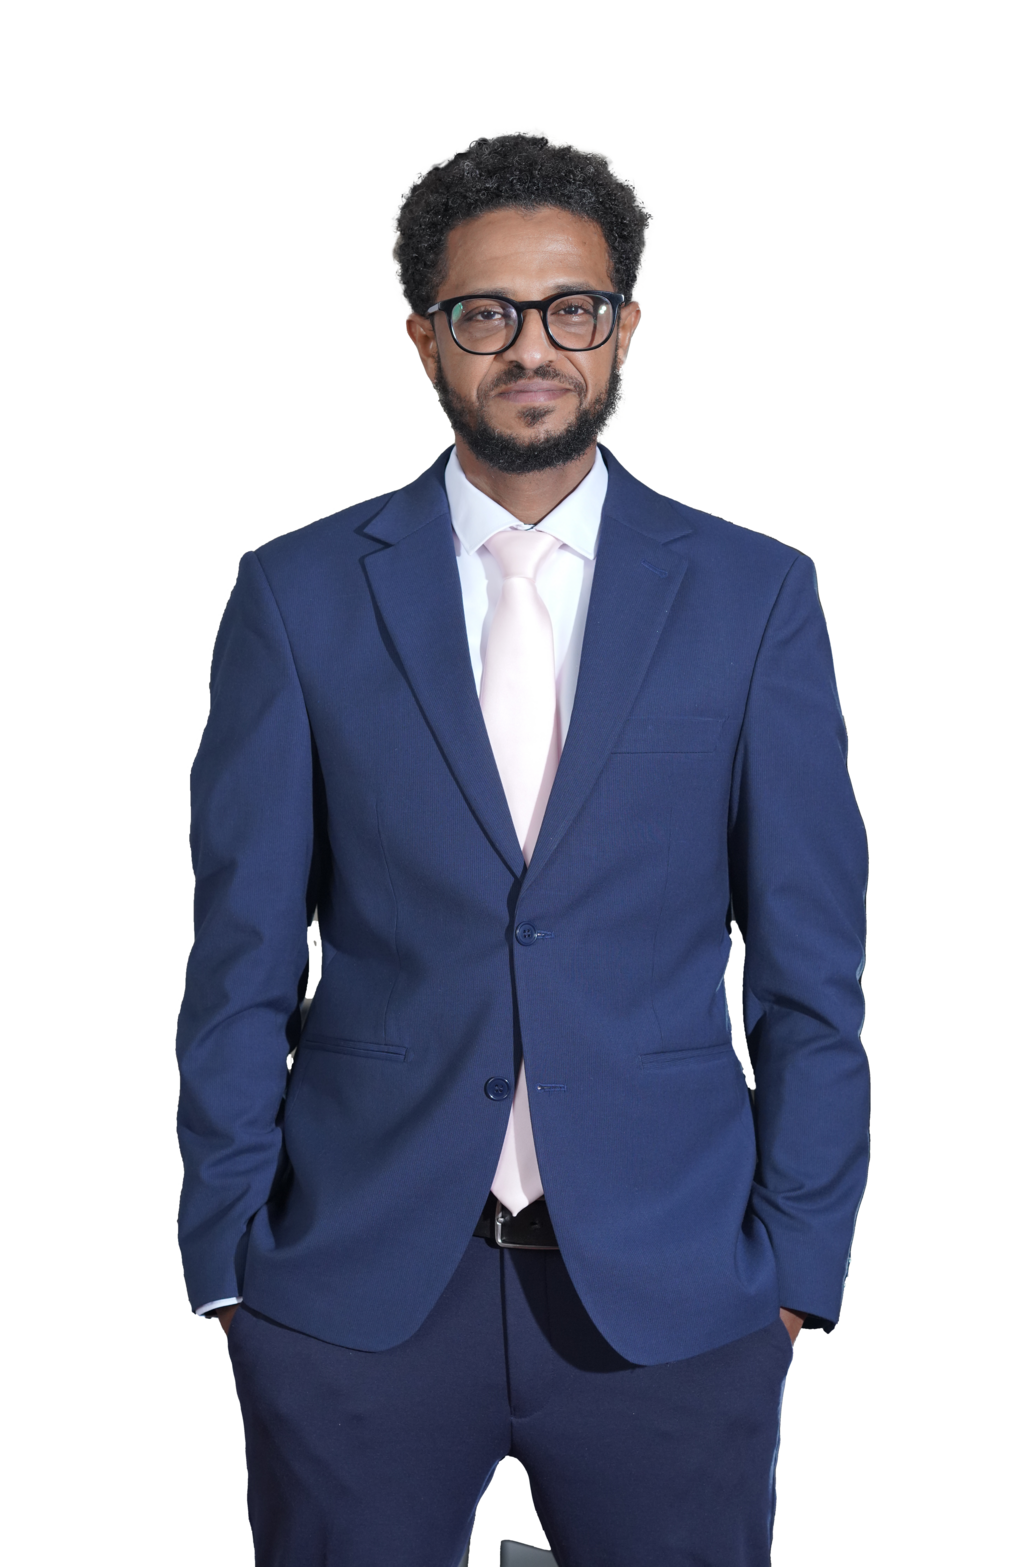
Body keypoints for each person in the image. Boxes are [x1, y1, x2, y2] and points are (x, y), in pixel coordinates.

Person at [176, 133, 869, 1567]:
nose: (533, 347)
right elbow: (241, 956)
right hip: (356, 1295)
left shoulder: (754, 597)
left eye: (572, 308)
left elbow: (811, 971)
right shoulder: (299, 596)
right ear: (426, 335)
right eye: (488, 312)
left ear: (625, 325)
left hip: (677, 1298)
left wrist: (797, 1265)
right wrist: (235, 1258)